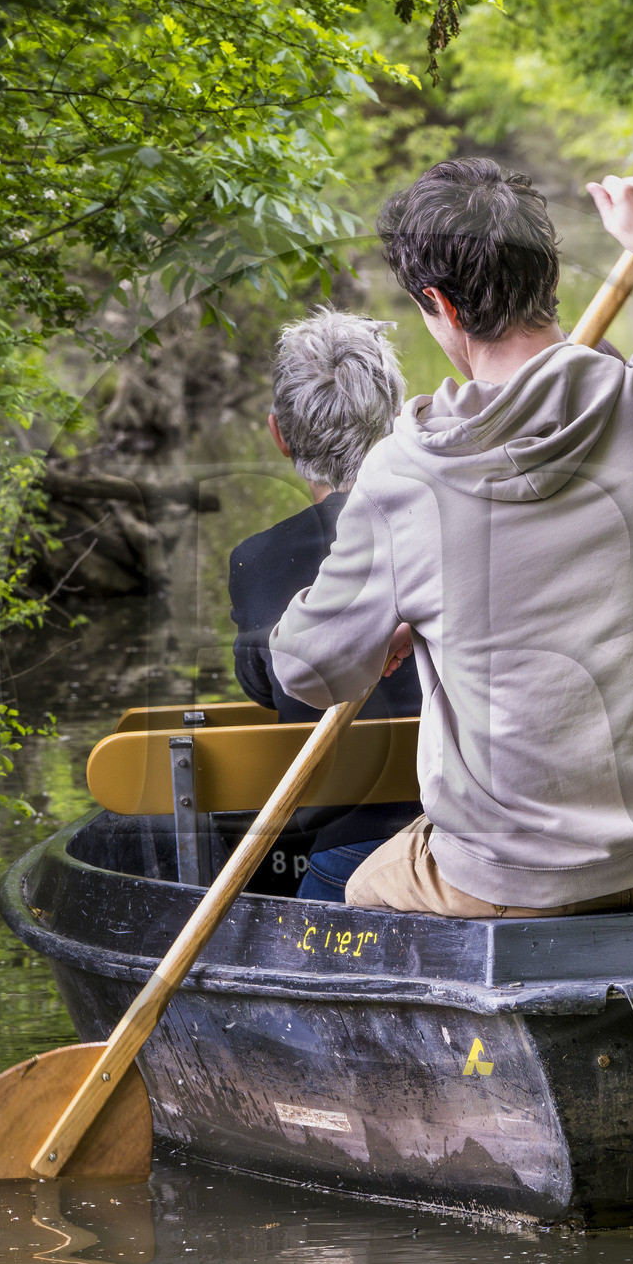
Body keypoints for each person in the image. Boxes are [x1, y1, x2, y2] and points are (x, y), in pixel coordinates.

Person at [269, 158, 633, 918]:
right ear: (549, 276)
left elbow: (308, 670)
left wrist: (388, 625)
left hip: (506, 883)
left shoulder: (400, 477)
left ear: (437, 302)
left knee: (358, 900)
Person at [228, 308, 420, 898]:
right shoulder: (450, 524)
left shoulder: (256, 560)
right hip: (469, 836)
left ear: (278, 434)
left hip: (344, 860)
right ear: (395, 423)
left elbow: (266, 687)